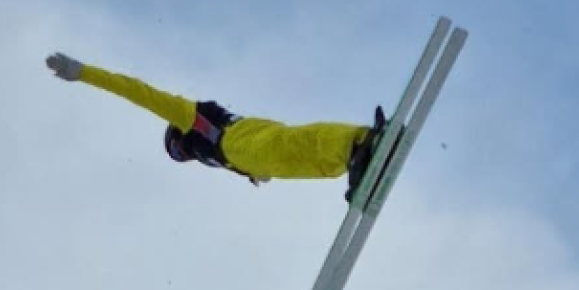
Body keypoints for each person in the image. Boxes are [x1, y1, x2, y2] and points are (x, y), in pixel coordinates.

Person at [45, 52, 384, 192]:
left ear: (178, 138)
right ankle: (352, 161)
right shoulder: (210, 153)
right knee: (295, 162)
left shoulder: (188, 118)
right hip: (245, 147)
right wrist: (249, 173)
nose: (186, 156)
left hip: (239, 140)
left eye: (180, 152)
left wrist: (83, 73)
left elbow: (139, 93)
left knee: (293, 145)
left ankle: (356, 142)